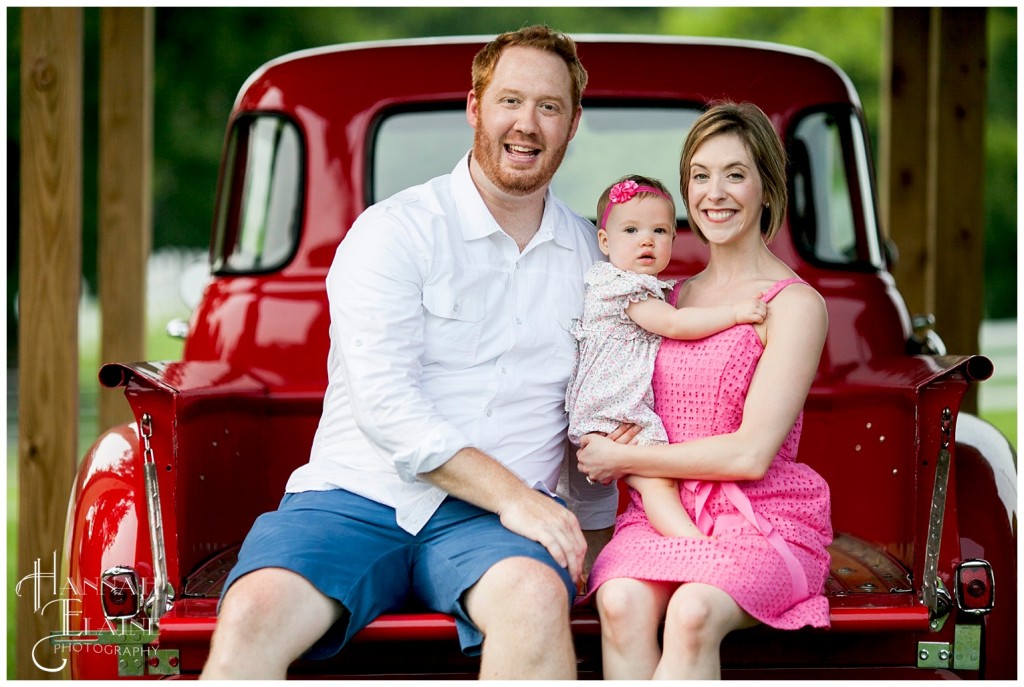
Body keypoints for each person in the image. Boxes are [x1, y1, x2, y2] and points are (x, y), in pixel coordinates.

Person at [201, 25, 608, 680]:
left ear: (573, 122)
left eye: (549, 106)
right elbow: (386, 404)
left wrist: (593, 532)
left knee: (534, 602)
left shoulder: (594, 258)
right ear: (474, 107)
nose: (525, 124)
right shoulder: (393, 231)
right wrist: (520, 499)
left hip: (497, 529)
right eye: (509, 101)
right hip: (355, 496)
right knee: (251, 612)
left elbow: (596, 409)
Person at [575, 102, 833, 680]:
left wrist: (626, 459)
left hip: (761, 517)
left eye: (735, 174)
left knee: (691, 611)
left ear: (767, 187)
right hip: (661, 510)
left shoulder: (792, 305)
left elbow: (750, 454)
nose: (714, 193)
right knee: (619, 602)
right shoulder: (669, 299)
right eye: (700, 175)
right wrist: (607, 439)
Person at [565, 174, 766, 539]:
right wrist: (735, 314)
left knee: (652, 484)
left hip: (611, 409)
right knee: (659, 485)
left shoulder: (643, 287)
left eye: (659, 231)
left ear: (674, 239)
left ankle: (683, 538)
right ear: (604, 242)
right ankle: (692, 543)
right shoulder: (621, 287)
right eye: (631, 230)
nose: (647, 239)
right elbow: (674, 324)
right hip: (612, 410)